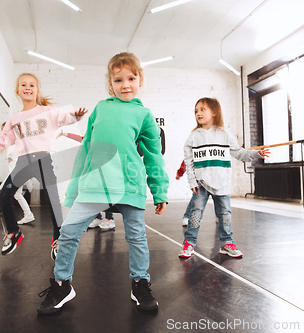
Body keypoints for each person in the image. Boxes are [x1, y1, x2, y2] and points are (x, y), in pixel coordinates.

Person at [37, 52, 169, 315]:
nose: (126, 85)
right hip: (94, 184)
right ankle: (62, 283)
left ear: (140, 79)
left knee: (137, 237)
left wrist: (159, 190)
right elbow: (85, 150)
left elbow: (154, 156)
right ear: (111, 83)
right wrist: (73, 191)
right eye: (118, 80)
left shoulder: (144, 114)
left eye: (131, 78)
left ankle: (140, 282)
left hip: (129, 184)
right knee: (68, 233)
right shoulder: (100, 108)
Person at [0, 73, 87, 257]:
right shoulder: (14, 119)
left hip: (43, 160)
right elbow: (2, 141)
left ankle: (57, 239)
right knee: (5, 193)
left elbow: (65, 117)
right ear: (18, 91)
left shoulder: (47, 111)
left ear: (37, 91)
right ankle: (13, 233)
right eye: (23, 85)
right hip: (23, 162)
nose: (28, 87)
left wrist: (76, 114)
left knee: (53, 201)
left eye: (32, 85)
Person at [178, 97, 269, 259]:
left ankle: (226, 243)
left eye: (202, 109)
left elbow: (239, 153)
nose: (198, 113)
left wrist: (255, 154)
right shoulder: (192, 138)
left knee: (225, 214)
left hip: (222, 183)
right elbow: (189, 163)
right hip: (201, 183)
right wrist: (192, 181)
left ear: (214, 112)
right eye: (196, 110)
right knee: (195, 213)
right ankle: (189, 243)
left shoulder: (225, 135)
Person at [56, 129, 116, 231]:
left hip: (105, 174)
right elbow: (80, 138)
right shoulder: (90, 140)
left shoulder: (106, 142)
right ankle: (97, 218)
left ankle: (109, 219)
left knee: (106, 197)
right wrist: (64, 133)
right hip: (93, 174)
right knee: (95, 197)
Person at [0, 122, 35, 225]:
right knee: (16, 194)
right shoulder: (7, 143)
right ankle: (28, 214)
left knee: (5, 190)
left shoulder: (18, 142)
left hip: (16, 170)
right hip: (13, 170)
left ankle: (27, 214)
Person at [176, 160, 218, 227]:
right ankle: (187, 217)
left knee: (218, 198)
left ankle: (219, 217)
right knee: (196, 199)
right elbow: (186, 162)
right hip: (201, 180)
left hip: (215, 180)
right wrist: (180, 173)